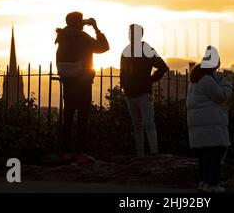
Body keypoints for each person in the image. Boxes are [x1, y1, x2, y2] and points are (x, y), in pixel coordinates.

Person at [55, 12, 109, 164]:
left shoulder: (62, 36)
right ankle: (81, 154)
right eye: (81, 20)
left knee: (68, 117)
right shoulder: (82, 37)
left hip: (68, 82)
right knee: (82, 118)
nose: (83, 23)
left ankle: (65, 152)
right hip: (83, 82)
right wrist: (96, 28)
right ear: (78, 23)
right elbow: (104, 47)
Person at [186, 46, 232, 193]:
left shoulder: (196, 78)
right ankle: (212, 184)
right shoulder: (207, 79)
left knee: (205, 155)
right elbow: (221, 96)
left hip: (200, 125)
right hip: (210, 124)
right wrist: (226, 84)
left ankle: (205, 182)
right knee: (215, 153)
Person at [120, 24, 168, 157]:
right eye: (130, 33)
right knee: (137, 125)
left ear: (140, 35)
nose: (131, 36)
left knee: (148, 123)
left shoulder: (146, 49)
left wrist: (150, 80)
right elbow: (123, 71)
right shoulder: (126, 51)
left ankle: (153, 152)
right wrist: (125, 85)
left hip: (143, 93)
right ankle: (140, 153)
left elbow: (163, 67)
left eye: (133, 33)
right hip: (131, 94)